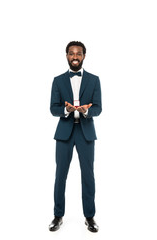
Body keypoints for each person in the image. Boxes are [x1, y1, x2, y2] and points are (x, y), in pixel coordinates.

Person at [49, 41, 102, 233]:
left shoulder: (94, 80)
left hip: (86, 132)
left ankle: (90, 217)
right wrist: (66, 109)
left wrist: (86, 111)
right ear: (66, 56)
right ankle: (57, 216)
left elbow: (98, 108)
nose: (75, 57)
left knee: (88, 176)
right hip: (64, 133)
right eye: (71, 53)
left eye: (78, 53)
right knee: (60, 175)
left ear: (84, 56)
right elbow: (53, 108)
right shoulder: (58, 80)